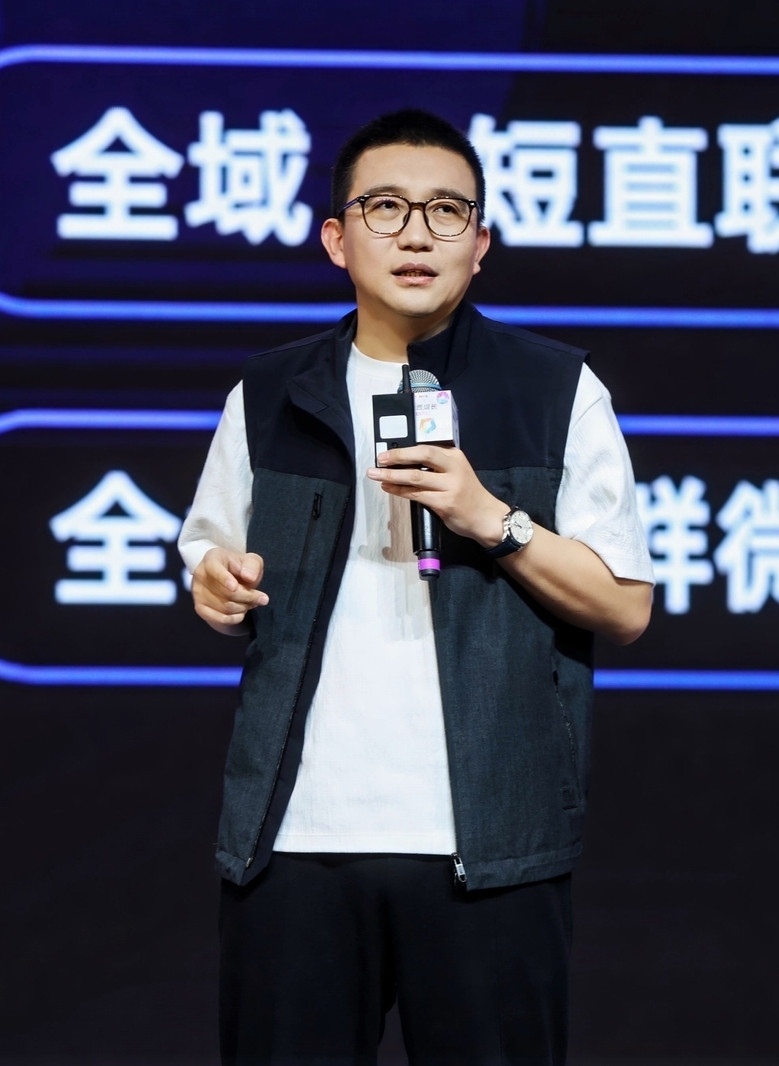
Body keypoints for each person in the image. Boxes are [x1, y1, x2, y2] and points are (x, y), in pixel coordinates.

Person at [177, 108, 654, 1064]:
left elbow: (624, 605)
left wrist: (490, 517)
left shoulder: (556, 390)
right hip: (294, 840)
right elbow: (214, 566)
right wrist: (218, 590)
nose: (416, 234)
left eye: (446, 212)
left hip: (490, 843)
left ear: (480, 246)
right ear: (336, 238)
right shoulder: (268, 395)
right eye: (386, 207)